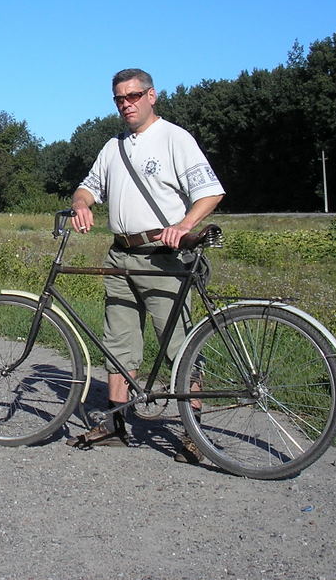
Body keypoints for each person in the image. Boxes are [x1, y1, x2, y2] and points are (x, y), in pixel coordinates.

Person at [67, 68, 224, 461]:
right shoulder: (113, 147)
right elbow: (87, 187)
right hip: (120, 255)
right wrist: (81, 204)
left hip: (162, 257)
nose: (127, 104)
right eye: (119, 99)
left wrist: (184, 225)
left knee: (178, 345)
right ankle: (115, 423)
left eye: (134, 96)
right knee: (118, 342)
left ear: (151, 96)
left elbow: (210, 192)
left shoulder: (174, 138)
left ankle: (194, 431)